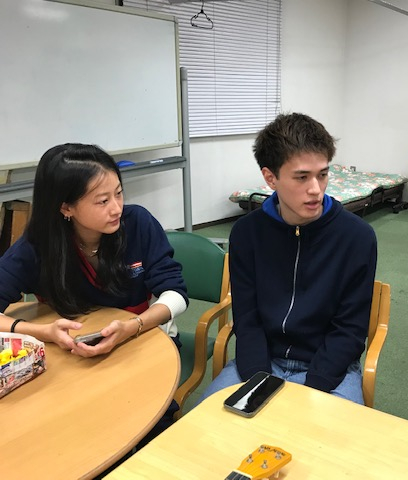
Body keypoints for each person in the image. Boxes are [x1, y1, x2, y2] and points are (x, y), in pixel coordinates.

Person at [0, 143, 188, 443]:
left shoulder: (137, 223)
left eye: (119, 193)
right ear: (66, 207)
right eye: (102, 201)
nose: (116, 208)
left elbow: (175, 293)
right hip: (73, 355)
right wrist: (42, 332)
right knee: (68, 431)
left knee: (148, 428)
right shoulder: (38, 244)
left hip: (143, 340)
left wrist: (133, 326)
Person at [198, 113, 377, 404]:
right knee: (204, 425)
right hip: (262, 361)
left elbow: (350, 329)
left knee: (330, 434)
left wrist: (312, 388)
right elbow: (247, 318)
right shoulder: (247, 233)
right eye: (302, 177)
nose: (315, 189)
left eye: (323, 174)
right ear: (271, 178)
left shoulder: (357, 237)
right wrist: (259, 380)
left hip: (331, 369)